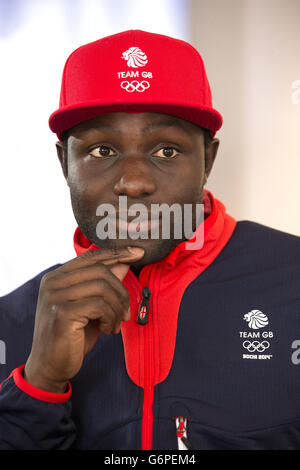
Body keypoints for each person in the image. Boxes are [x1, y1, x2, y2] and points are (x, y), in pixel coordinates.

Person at [0, 29, 299, 451]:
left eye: (167, 151)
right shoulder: (11, 321)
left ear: (208, 160)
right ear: (64, 164)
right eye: (102, 150)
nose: (134, 183)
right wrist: (40, 384)